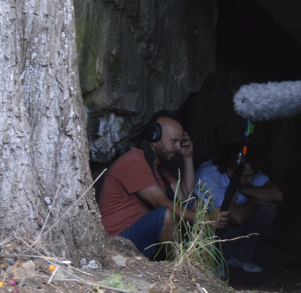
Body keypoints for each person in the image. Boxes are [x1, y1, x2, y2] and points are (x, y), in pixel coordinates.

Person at [98, 111, 228, 259]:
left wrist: (187, 156)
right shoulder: (133, 162)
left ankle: (202, 262)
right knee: (165, 215)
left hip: (139, 236)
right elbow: (161, 202)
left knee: (197, 205)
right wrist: (206, 219)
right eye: (174, 141)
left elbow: (185, 197)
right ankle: (184, 268)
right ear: (155, 138)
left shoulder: (156, 169)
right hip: (117, 241)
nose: (178, 147)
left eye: (180, 142)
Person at [194, 144, 283, 273]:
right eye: (247, 177)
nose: (251, 179)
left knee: (268, 210)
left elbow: (277, 195)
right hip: (210, 228)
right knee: (228, 217)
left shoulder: (246, 171)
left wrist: (242, 188)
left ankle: (239, 257)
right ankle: (217, 258)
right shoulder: (208, 176)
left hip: (236, 219)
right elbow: (236, 217)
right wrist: (257, 200)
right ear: (230, 171)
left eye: (252, 175)